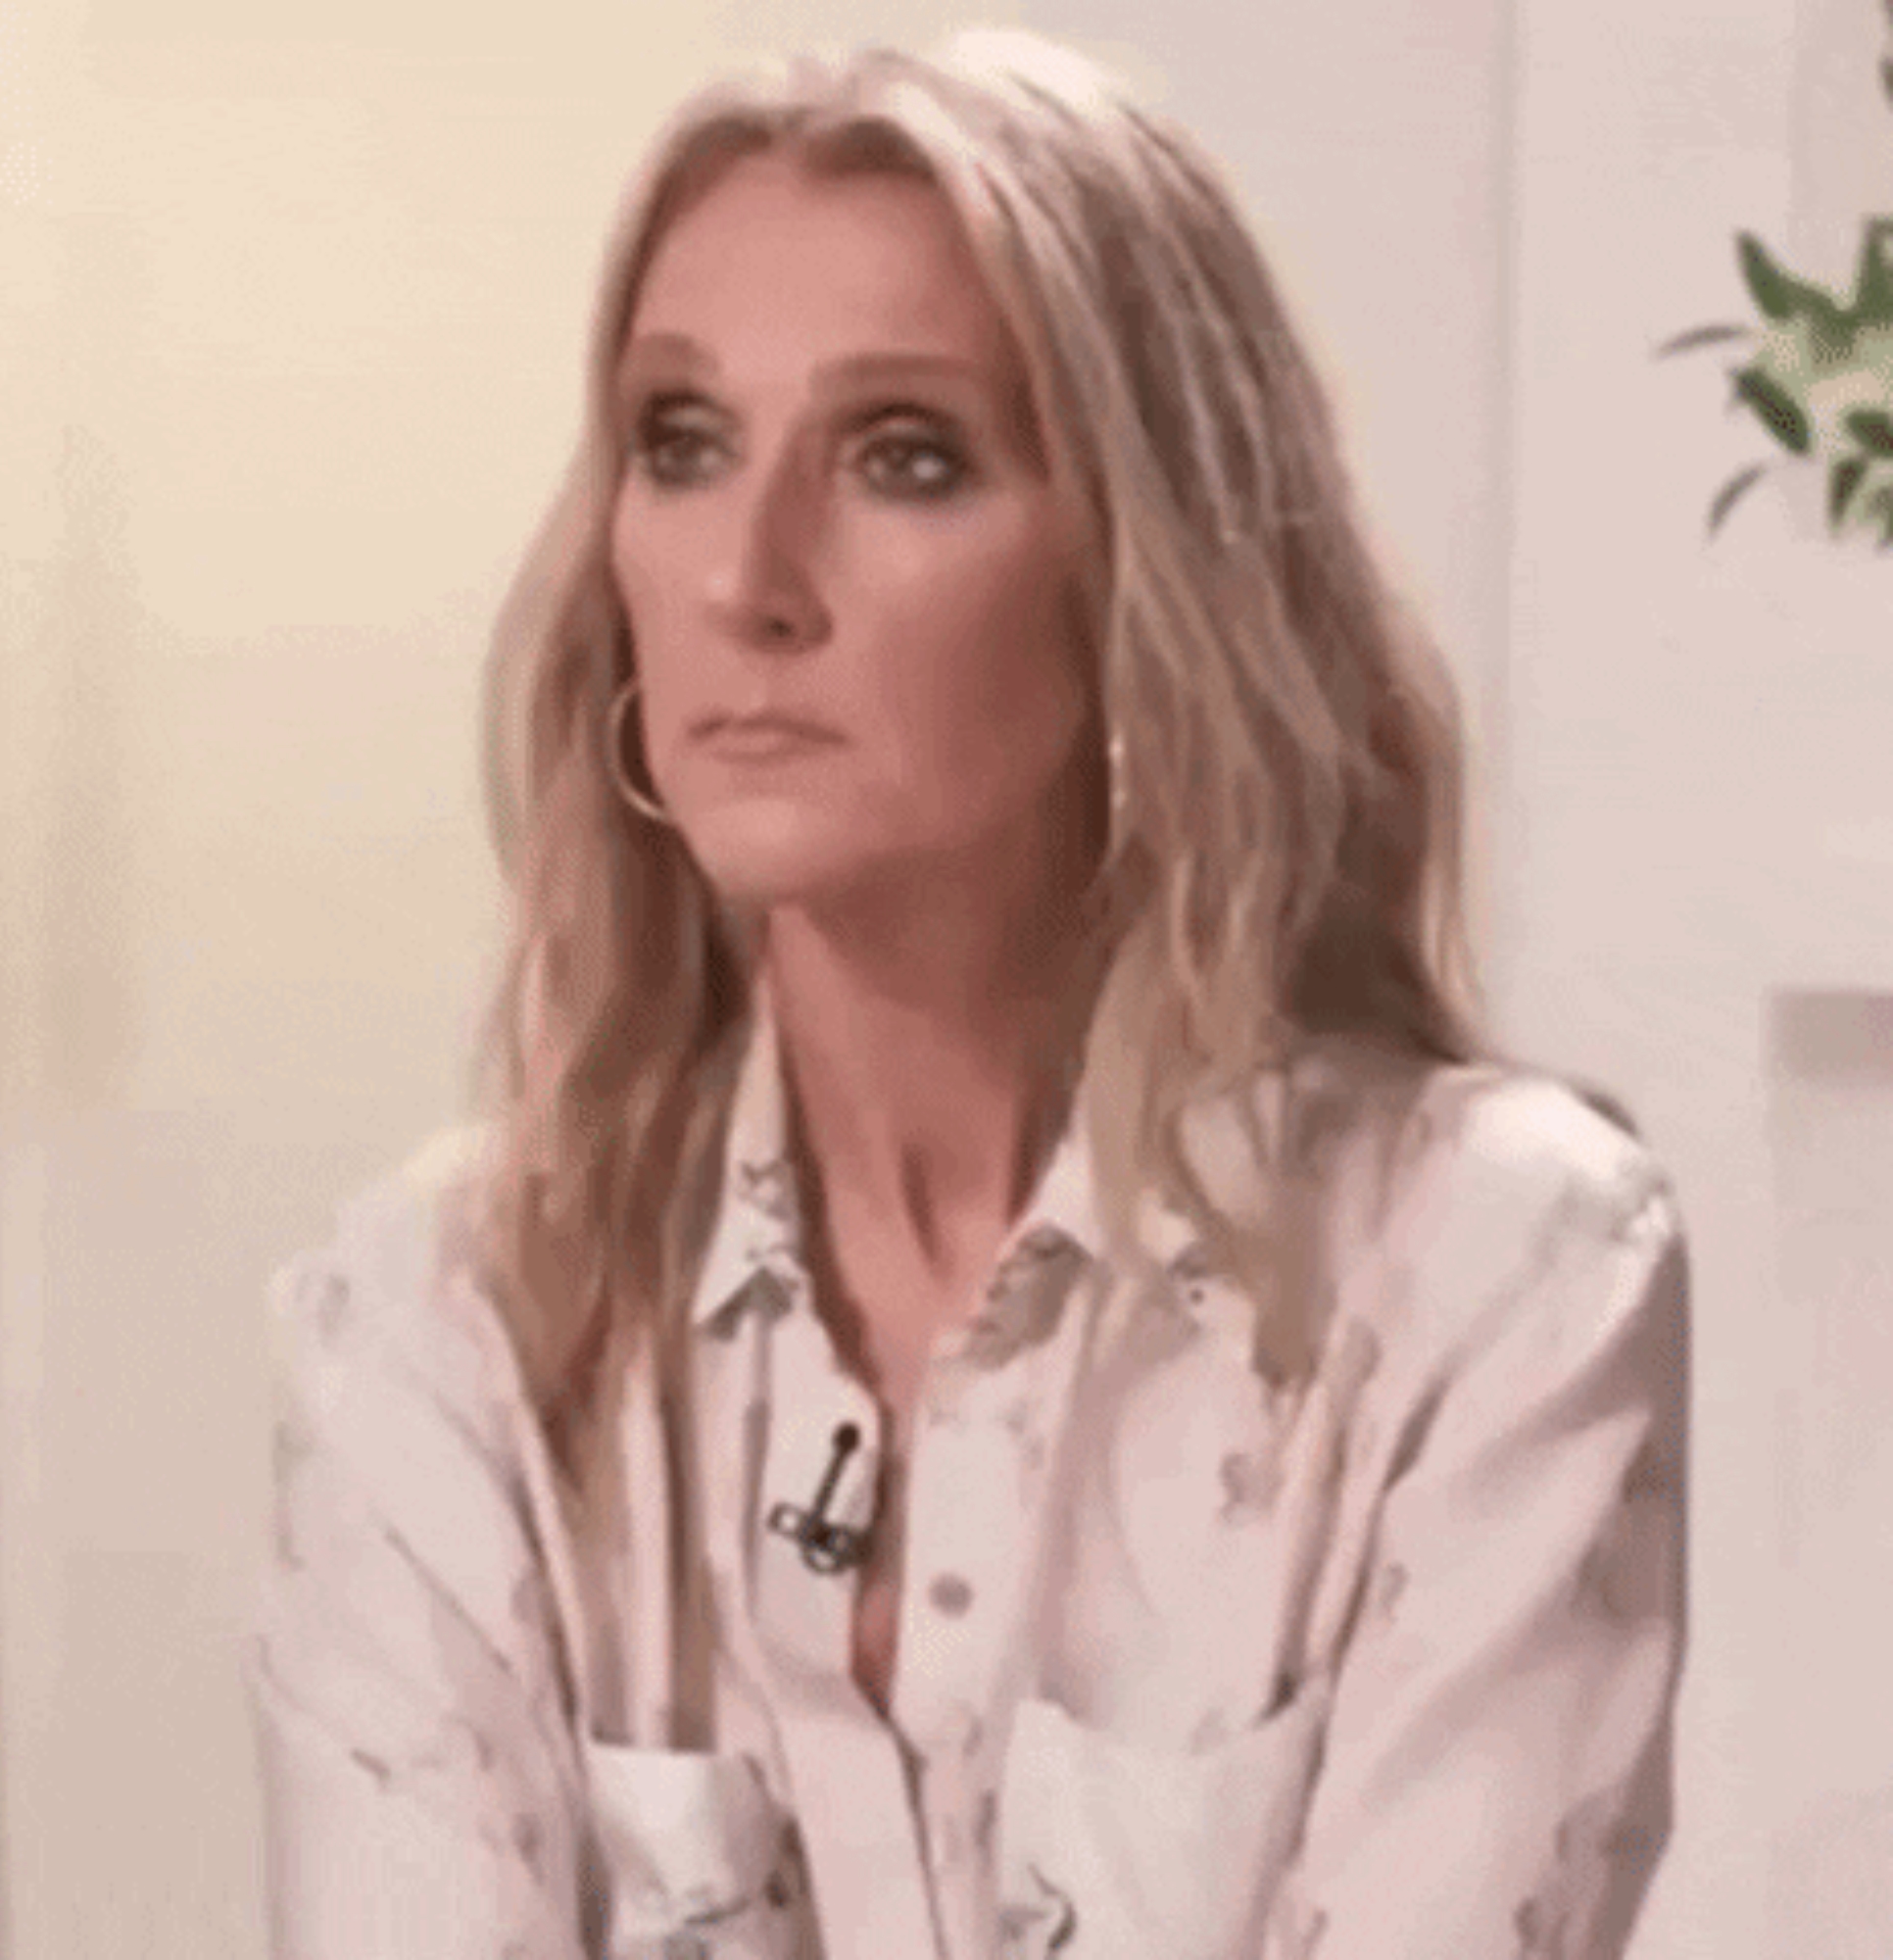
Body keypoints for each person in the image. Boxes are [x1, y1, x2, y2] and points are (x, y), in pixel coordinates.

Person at [247, 25, 1690, 1960]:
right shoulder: (437, 1328)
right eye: (683, 444)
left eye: (903, 457)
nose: (748, 578)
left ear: (1145, 568)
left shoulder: (1485, 1274)